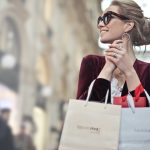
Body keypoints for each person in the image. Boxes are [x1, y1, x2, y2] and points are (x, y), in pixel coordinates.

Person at [76, 0, 150, 106]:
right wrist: (107, 69)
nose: (100, 24)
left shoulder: (147, 71)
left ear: (128, 25)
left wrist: (129, 72)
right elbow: (82, 109)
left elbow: (144, 115)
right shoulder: (91, 63)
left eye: (107, 18)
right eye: (100, 20)